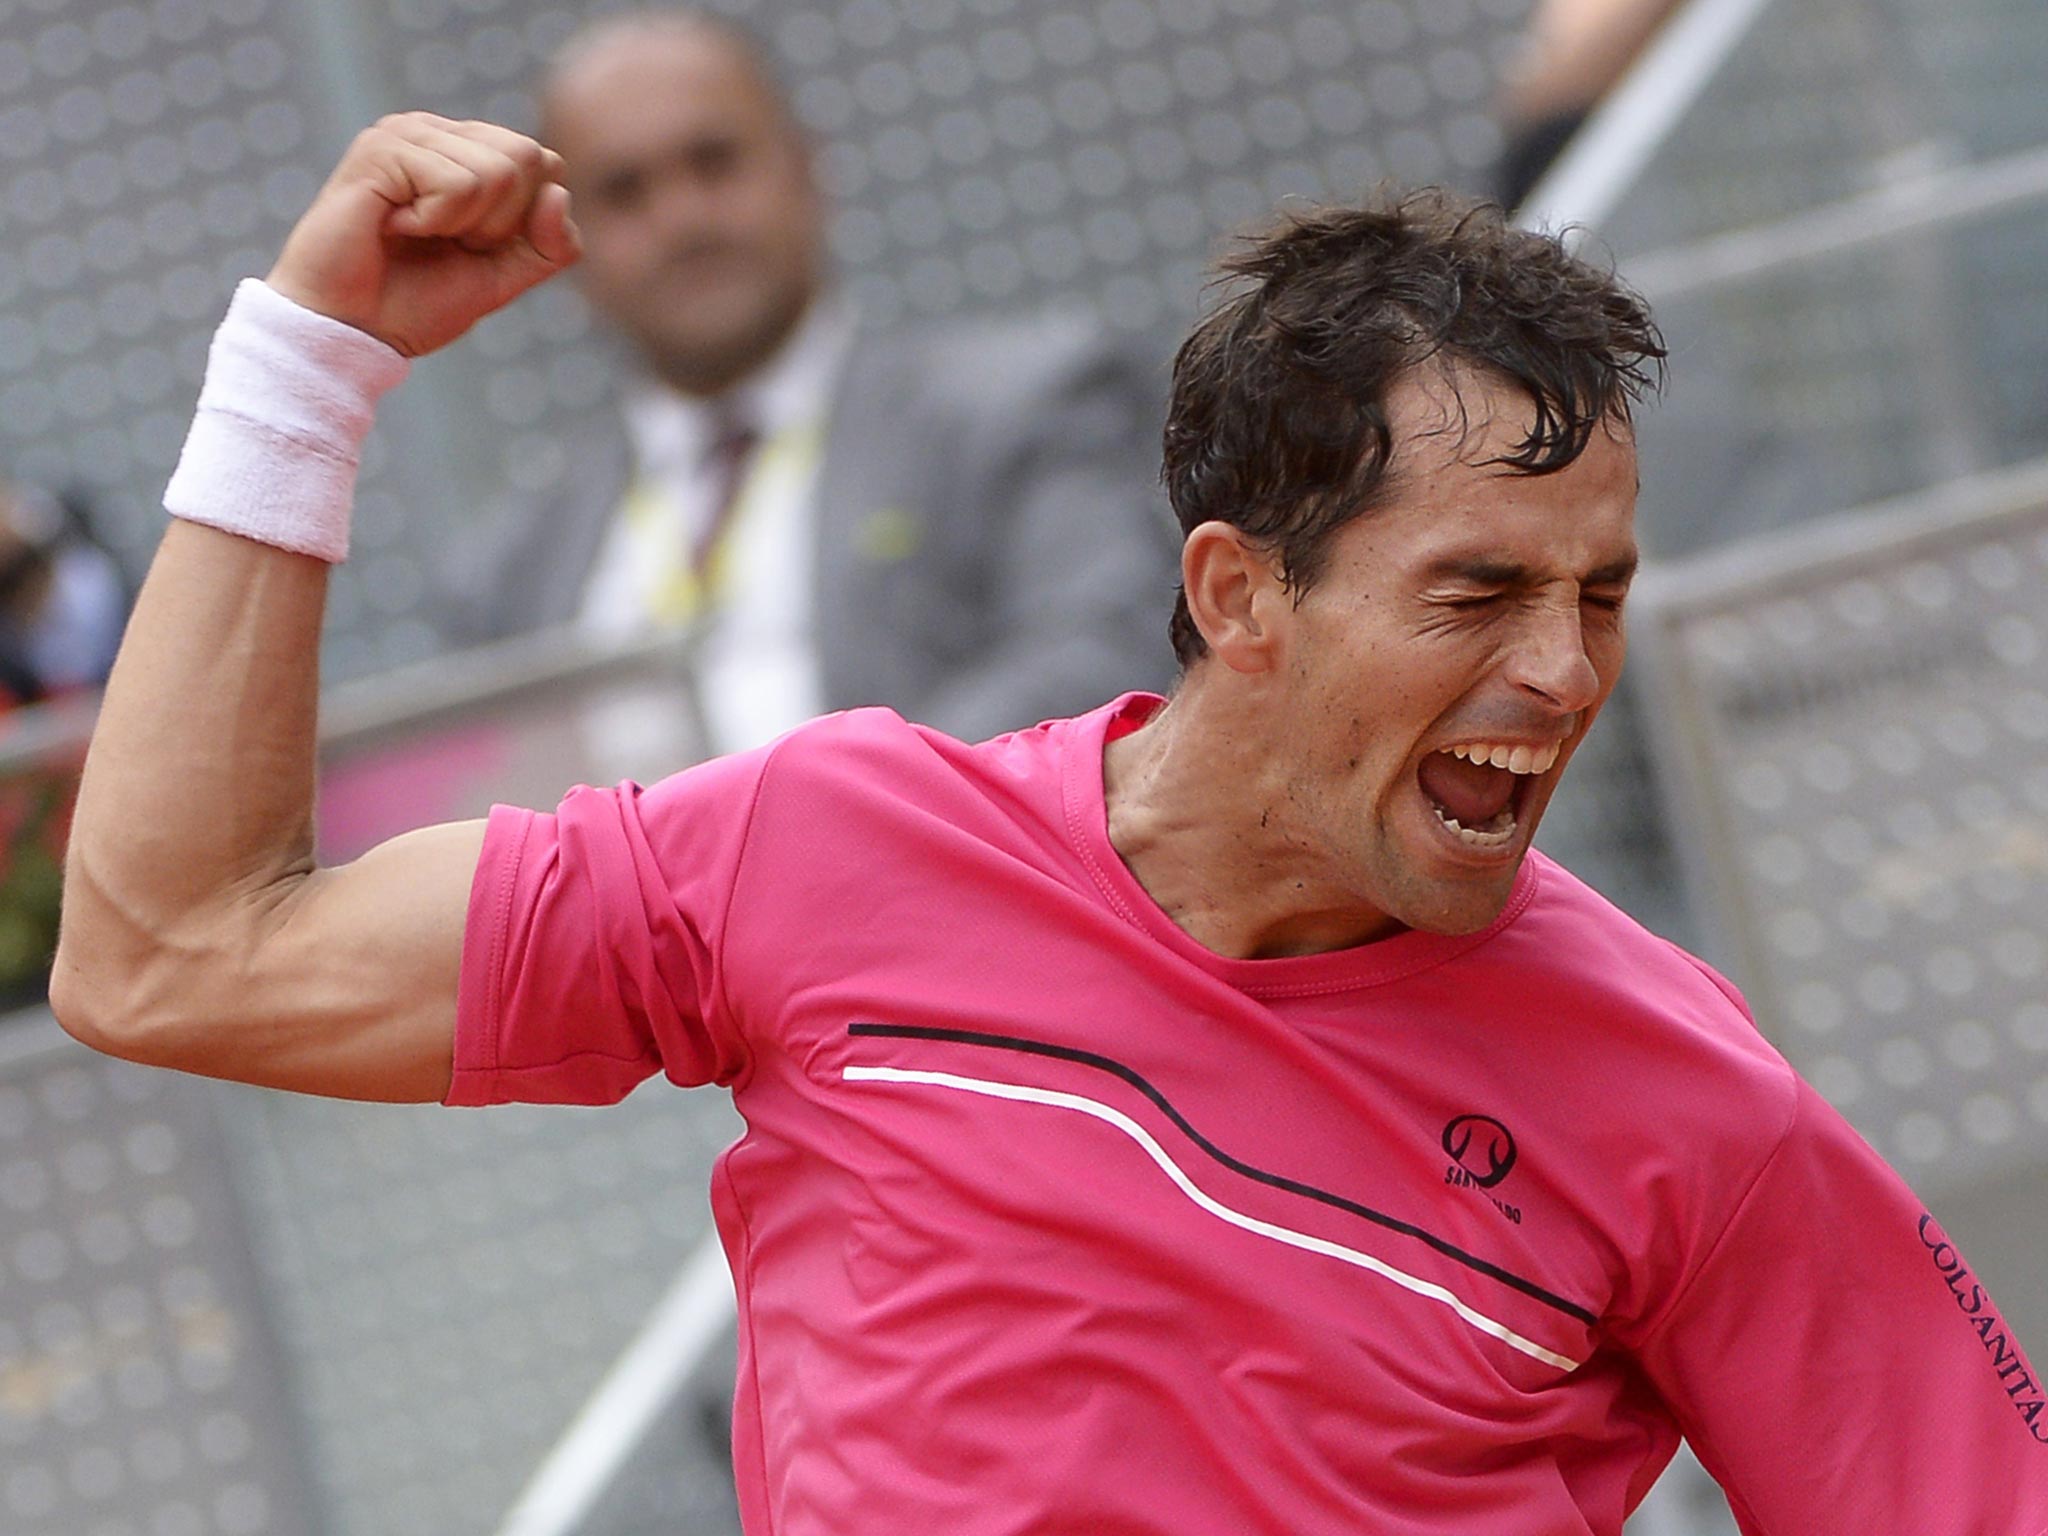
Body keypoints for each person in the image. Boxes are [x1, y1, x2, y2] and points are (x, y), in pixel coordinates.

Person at [51, 116, 2048, 1535]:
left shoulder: (1695, 1101)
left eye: (1596, 590)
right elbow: (170, 953)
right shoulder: (819, 847)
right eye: (1474, 594)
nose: (1561, 670)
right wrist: (302, 374)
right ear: (1237, 593)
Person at [448, 9, 1179, 750]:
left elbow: (1102, 667)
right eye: (625, 191)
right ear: (565, 241)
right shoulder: (514, 566)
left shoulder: (1020, 410)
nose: (682, 218)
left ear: (805, 168)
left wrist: (791, 831)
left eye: (714, 160)